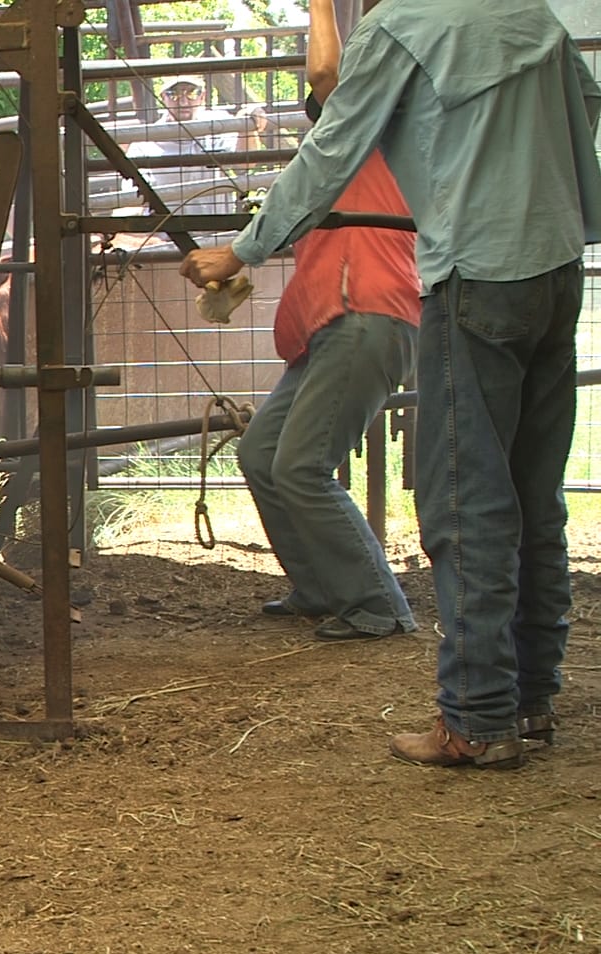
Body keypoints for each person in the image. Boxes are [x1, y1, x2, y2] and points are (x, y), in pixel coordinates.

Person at [181, 0, 601, 769]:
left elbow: (331, 142)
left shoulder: (405, 25)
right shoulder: (528, 14)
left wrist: (242, 250)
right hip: (555, 264)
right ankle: (531, 699)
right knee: (533, 491)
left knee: (463, 497)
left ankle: (476, 717)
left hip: (474, 273)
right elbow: (590, 98)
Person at [239, 0, 420, 645]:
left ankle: (378, 603)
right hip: (330, 323)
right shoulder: (329, 167)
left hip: (367, 313)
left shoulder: (368, 138)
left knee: (301, 465)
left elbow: (325, 77)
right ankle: (321, 587)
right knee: (261, 453)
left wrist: (319, 3)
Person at [135, 73, 242, 216]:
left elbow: (244, 166)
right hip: (168, 236)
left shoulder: (219, 125)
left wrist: (247, 124)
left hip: (217, 231)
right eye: (174, 94)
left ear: (202, 96)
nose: (183, 102)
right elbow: (133, 201)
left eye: (191, 93)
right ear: (163, 98)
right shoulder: (145, 144)